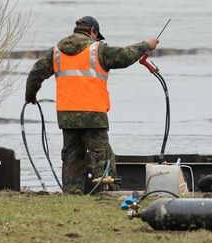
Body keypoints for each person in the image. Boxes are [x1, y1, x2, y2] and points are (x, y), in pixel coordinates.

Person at [25, 16, 158, 194]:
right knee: (101, 156)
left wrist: (31, 95)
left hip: (67, 115)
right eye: (96, 35)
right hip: (93, 114)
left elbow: (36, 73)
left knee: (72, 156)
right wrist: (146, 45)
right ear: (93, 31)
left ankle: (72, 193)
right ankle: (107, 192)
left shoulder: (56, 51)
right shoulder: (97, 50)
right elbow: (125, 56)